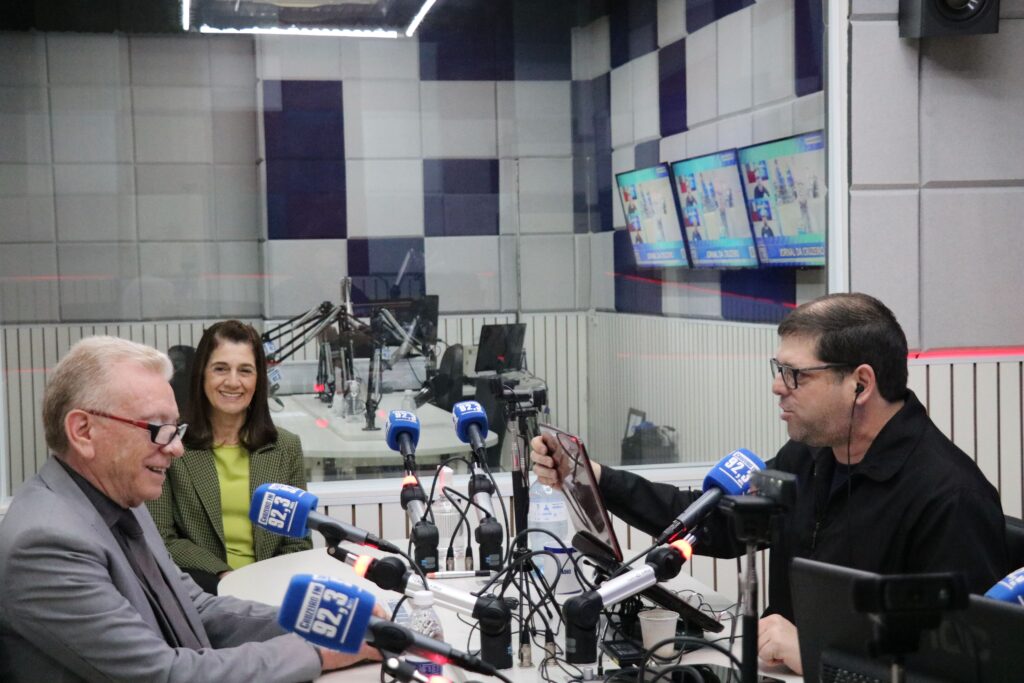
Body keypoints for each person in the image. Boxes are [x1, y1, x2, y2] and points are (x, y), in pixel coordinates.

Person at [531, 293, 1010, 675]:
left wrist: (819, 653)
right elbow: (715, 523)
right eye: (778, 370)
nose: (778, 387)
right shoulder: (811, 456)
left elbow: (957, 669)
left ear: (860, 384)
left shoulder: (949, 498)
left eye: (795, 374)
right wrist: (599, 479)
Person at [0, 336, 380, 681]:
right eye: (157, 428)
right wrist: (318, 651)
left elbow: (194, 608)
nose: (176, 447)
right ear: (83, 431)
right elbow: (165, 674)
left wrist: (324, 622)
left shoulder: (117, 501)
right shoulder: (46, 544)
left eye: (175, 429)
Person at [147, 320, 311, 594]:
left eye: (245, 370)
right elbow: (162, 538)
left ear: (258, 379)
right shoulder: (172, 446)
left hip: (273, 592)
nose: (233, 382)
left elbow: (298, 542)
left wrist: (270, 589)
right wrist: (227, 577)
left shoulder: (285, 447)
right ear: (202, 374)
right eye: (221, 369)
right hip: (202, 592)